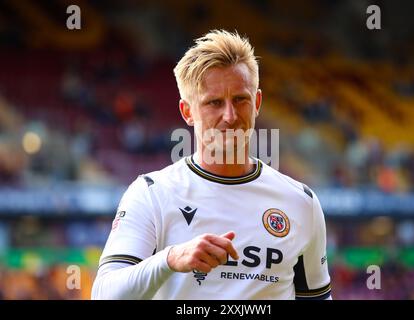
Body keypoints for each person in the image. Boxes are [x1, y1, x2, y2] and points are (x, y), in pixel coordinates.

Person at [91, 30, 331, 300]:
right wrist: (170, 259)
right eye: (214, 103)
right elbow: (104, 295)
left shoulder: (301, 202)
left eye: (240, 99)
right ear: (187, 112)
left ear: (257, 103)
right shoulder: (151, 194)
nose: (229, 116)